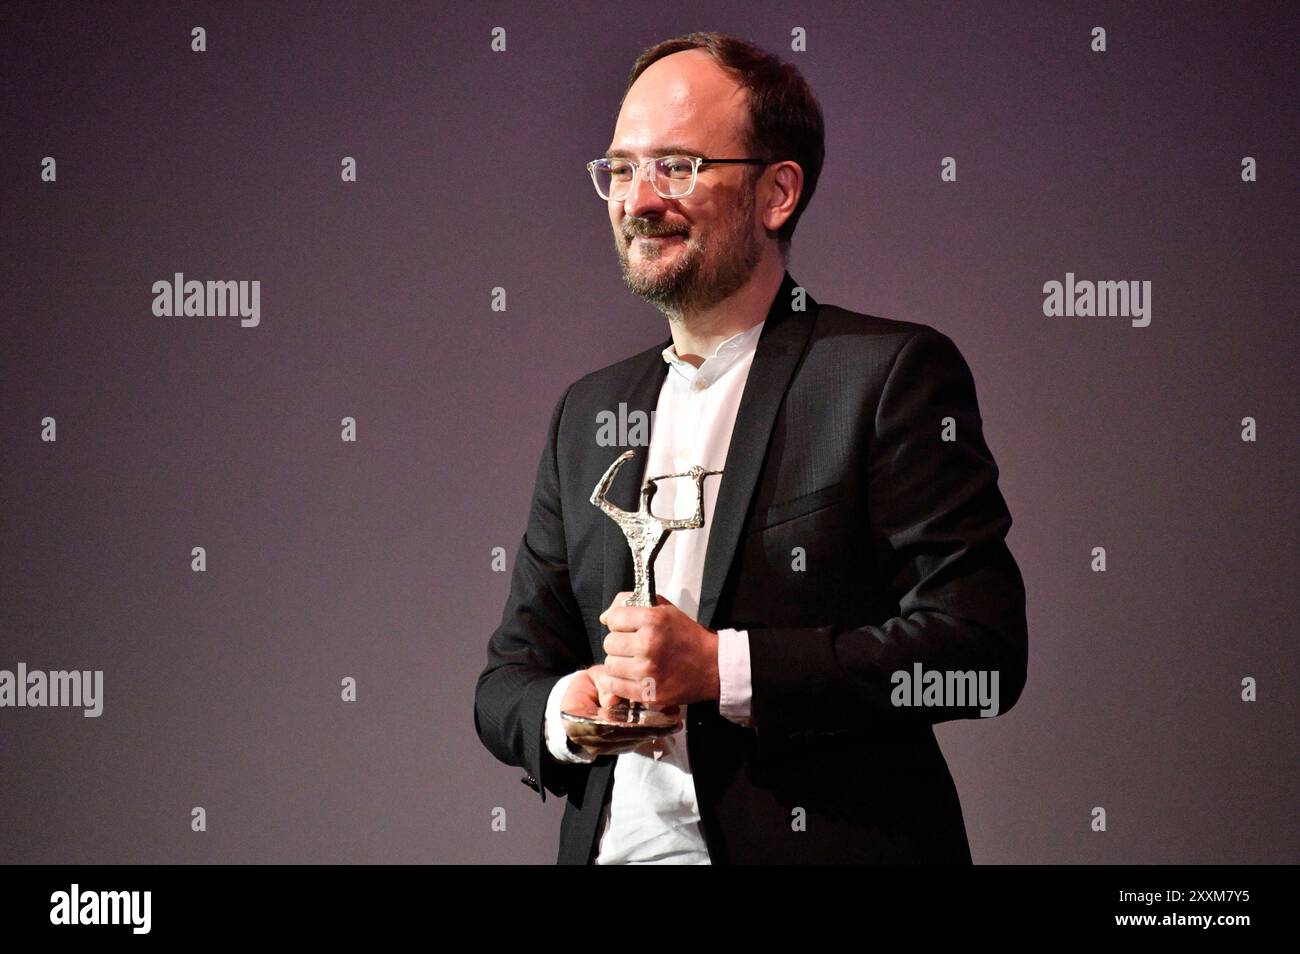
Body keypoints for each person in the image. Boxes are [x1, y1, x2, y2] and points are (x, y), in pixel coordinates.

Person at [473, 31, 1028, 864]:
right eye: (621, 170)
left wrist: (722, 669)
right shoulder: (587, 414)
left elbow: (978, 653)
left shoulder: (883, 378)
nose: (639, 199)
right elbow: (508, 679)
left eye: (678, 166)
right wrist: (570, 708)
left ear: (777, 192)